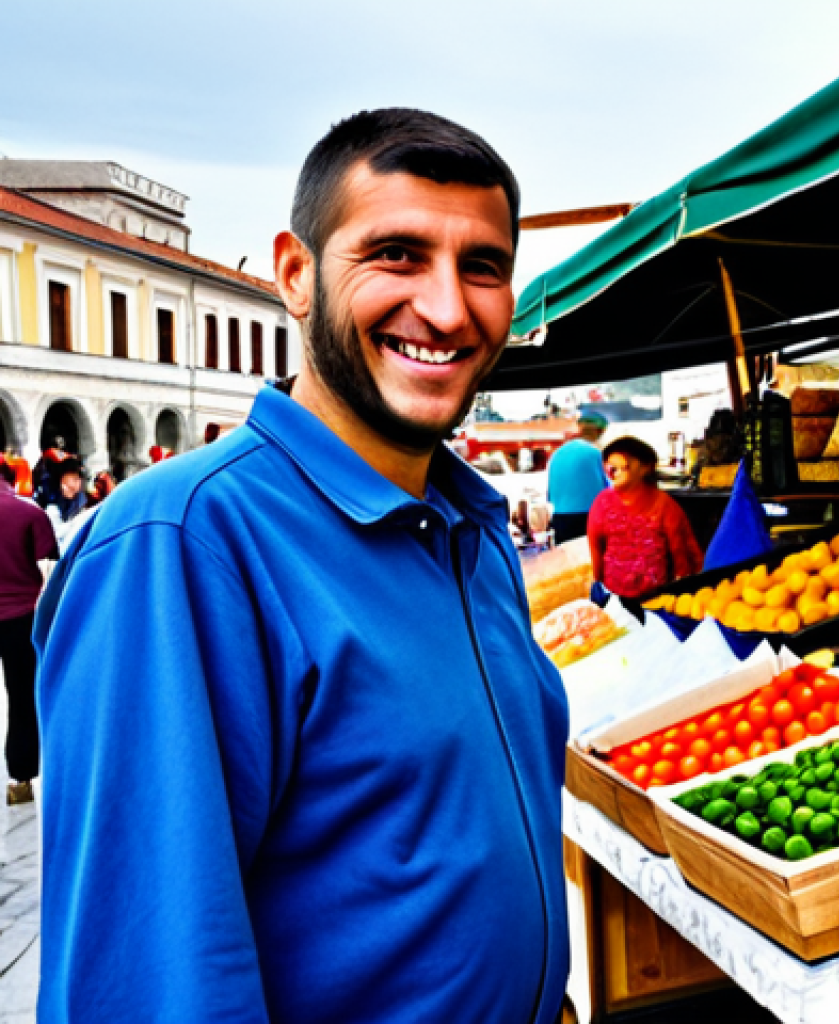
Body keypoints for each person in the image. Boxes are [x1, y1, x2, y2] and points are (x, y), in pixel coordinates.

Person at [35, 108, 569, 1024]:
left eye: (481, 265)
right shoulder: (185, 543)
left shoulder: (472, 530)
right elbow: (152, 982)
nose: (446, 309)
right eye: (395, 254)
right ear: (296, 274)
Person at [0, 460, 57, 805]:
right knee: (22, 697)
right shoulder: (28, 513)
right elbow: (50, 559)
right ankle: (20, 779)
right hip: (19, 617)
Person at [588, 435, 703, 599]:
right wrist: (597, 587)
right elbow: (595, 549)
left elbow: (681, 553)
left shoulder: (664, 504)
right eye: (610, 466)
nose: (614, 471)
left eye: (624, 464)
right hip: (614, 598)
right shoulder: (602, 502)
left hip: (657, 597)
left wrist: (680, 592)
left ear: (646, 467)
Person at [547, 411, 608, 543]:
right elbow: (609, 488)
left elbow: (550, 494)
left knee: (569, 562)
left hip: (560, 518)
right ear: (599, 431)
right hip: (588, 518)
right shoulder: (595, 453)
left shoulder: (558, 453)